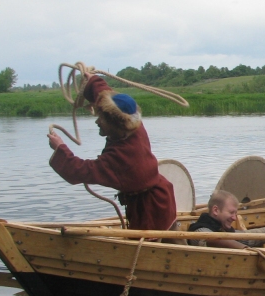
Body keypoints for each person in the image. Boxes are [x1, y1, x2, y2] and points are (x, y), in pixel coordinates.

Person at [47, 73, 176, 231]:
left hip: (150, 209)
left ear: (114, 124)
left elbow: (80, 171)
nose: (97, 122)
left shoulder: (120, 159)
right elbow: (108, 96)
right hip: (161, 195)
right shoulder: (132, 124)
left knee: (152, 245)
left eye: (101, 119)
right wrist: (92, 80)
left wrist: (60, 148)